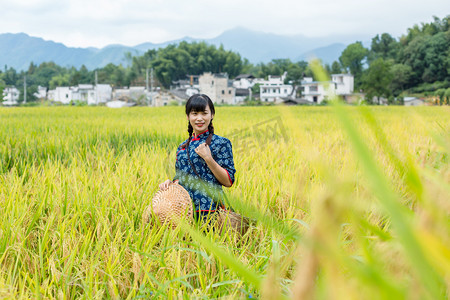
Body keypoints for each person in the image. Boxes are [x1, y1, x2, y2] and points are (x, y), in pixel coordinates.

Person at [159, 94, 236, 222]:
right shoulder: (182, 147)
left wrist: (208, 158)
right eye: (194, 114)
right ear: (188, 117)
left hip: (211, 212)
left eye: (204, 113)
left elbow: (228, 181)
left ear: (212, 115)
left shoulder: (221, 143)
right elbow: (180, 179)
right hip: (183, 212)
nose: (199, 118)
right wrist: (170, 184)